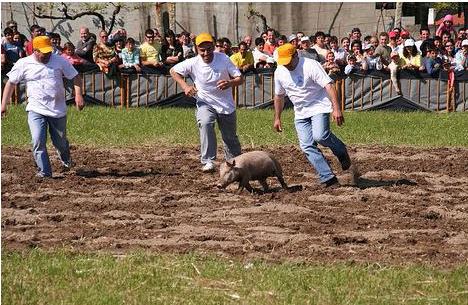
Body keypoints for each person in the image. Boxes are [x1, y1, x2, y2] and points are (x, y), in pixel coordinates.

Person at [1, 36, 85, 178]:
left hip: (57, 109)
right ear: (35, 50)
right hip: (36, 109)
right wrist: (3, 105)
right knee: (38, 140)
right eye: (44, 52)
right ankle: (44, 172)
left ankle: (66, 160)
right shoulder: (24, 63)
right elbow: (11, 83)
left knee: (60, 143)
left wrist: (78, 95)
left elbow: (75, 76)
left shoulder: (59, 60)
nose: (47, 55)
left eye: (49, 51)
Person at [273, 43, 351, 188]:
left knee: (320, 136)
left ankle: (341, 150)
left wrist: (337, 109)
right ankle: (328, 178)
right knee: (307, 145)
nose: (286, 65)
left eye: (288, 61)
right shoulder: (279, 71)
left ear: (296, 55)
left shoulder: (310, 65)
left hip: (319, 106)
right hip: (300, 112)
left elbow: (329, 85)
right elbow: (279, 96)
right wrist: (277, 117)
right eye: (283, 62)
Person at [170, 33, 243, 173]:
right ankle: (208, 160)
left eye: (209, 49)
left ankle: (234, 162)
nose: (206, 53)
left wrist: (229, 83)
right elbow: (173, 71)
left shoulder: (224, 59)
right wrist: (185, 86)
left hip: (225, 104)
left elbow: (240, 78)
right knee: (205, 122)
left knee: (230, 137)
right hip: (205, 102)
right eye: (202, 50)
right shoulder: (193, 62)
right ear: (197, 49)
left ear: (213, 46)